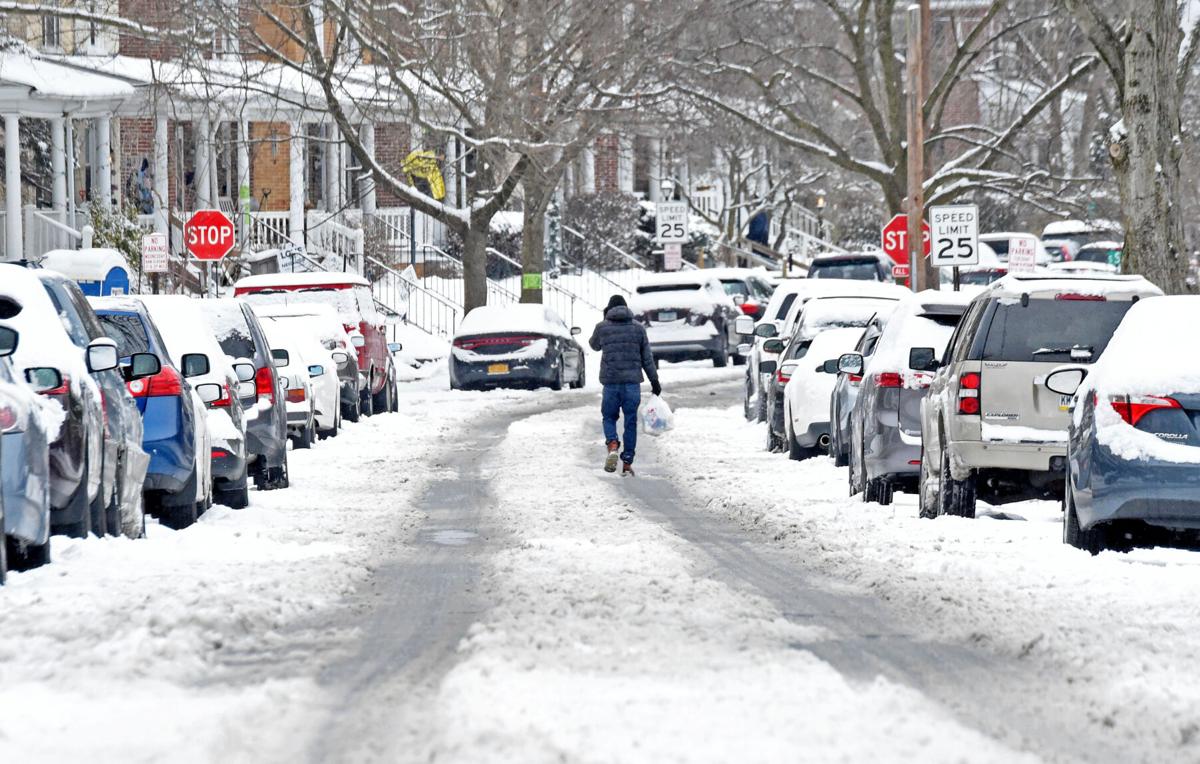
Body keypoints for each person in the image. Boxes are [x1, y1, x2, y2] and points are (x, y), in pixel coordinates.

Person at [589, 294, 661, 476]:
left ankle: (612, 443)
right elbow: (647, 358)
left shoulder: (602, 327)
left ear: (609, 310)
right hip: (632, 384)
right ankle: (627, 462)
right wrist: (654, 380)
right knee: (630, 421)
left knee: (609, 417)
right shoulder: (638, 328)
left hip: (611, 383)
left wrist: (604, 321)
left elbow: (594, 345)